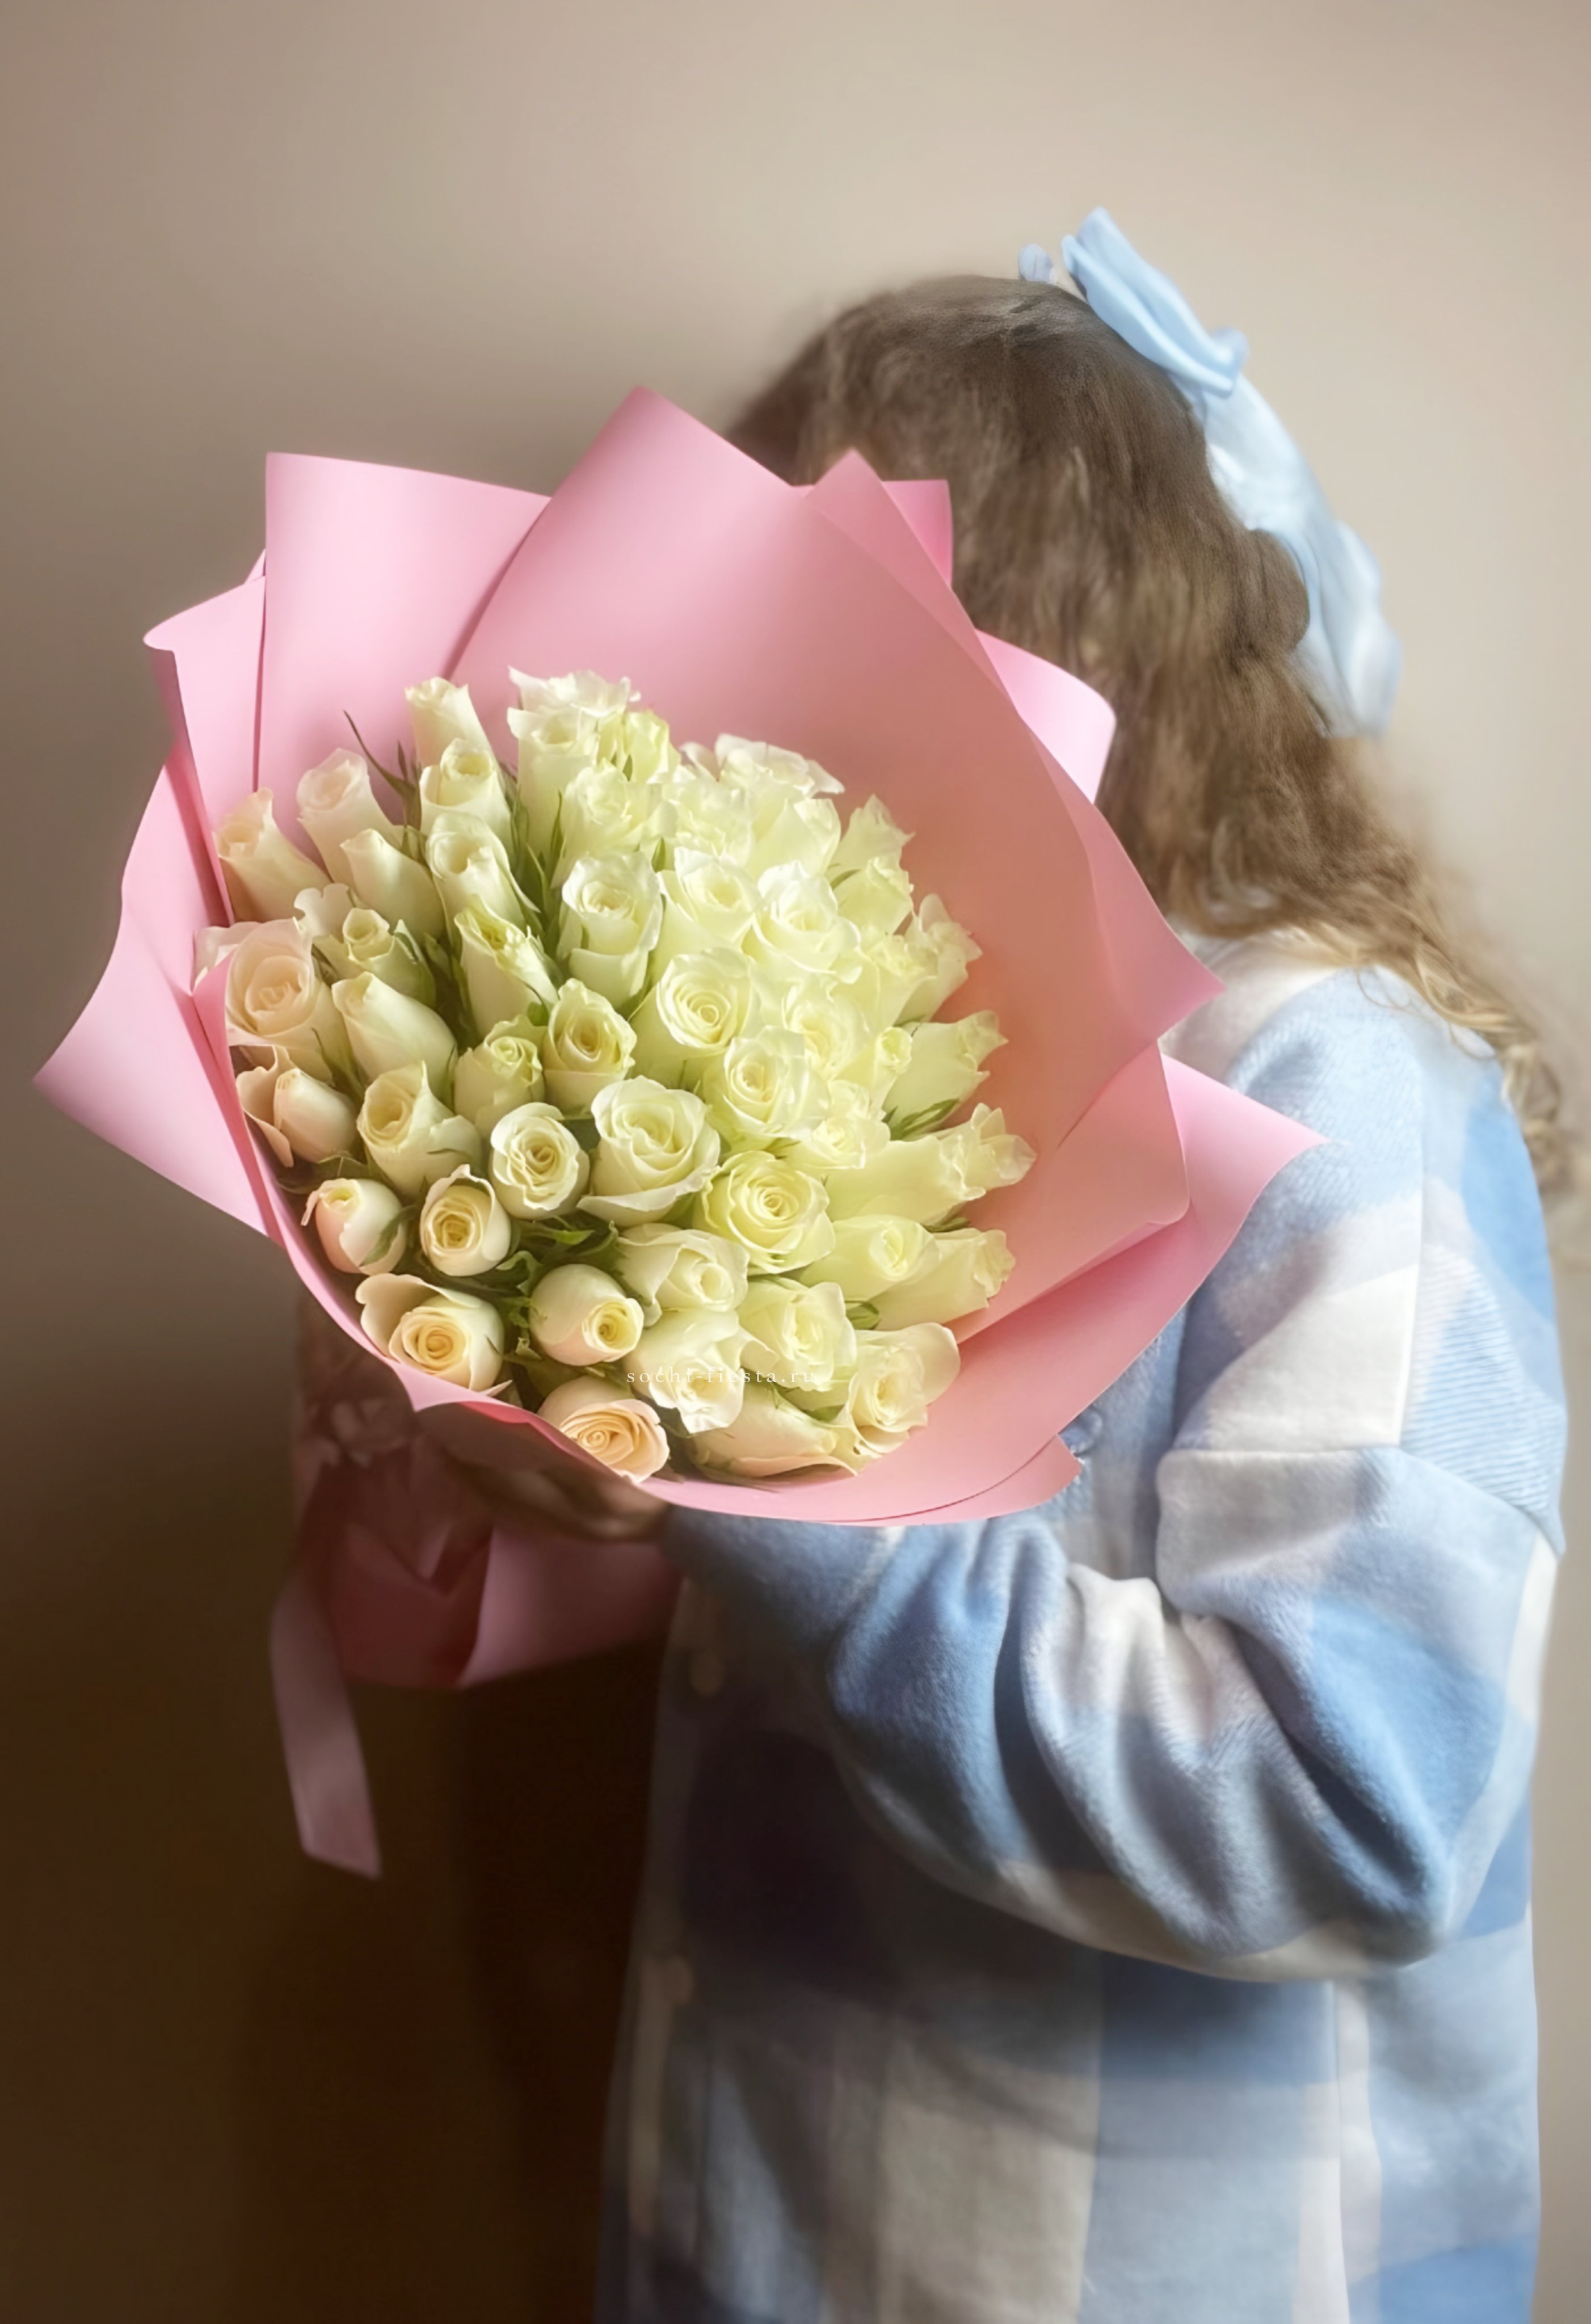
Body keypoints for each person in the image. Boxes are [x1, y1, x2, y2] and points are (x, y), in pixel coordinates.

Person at [451, 216, 1567, 2323]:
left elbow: (1341, 1807)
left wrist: (766, 1480)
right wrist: (525, 1424)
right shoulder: (843, 1063)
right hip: (756, 2220)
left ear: (1045, 646)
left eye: (789, 620)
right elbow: (753, 1626)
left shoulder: (1341, 1094)